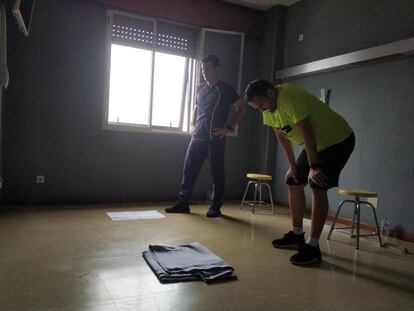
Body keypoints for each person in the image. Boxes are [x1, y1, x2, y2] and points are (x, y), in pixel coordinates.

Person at [244, 80, 355, 265]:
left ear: (271, 93)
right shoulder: (268, 111)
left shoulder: (289, 97)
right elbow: (281, 136)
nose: (262, 109)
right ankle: (297, 235)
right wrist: (293, 165)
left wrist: (314, 166)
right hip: (316, 144)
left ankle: (313, 247)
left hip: (337, 140)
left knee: (317, 185)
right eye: (257, 108)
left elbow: (307, 132)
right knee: (293, 180)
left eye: (262, 104)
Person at [166, 55, 246, 218]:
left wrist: (228, 127)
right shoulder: (200, 89)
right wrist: (192, 124)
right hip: (197, 138)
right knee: (188, 171)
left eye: (207, 68)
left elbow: (241, 109)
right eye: (203, 69)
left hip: (215, 139)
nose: (204, 72)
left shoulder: (225, 89)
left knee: (217, 173)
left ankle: (215, 207)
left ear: (216, 69)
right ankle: (183, 204)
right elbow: (196, 108)